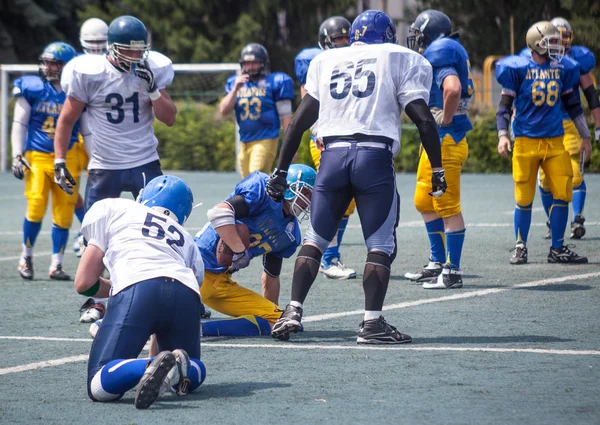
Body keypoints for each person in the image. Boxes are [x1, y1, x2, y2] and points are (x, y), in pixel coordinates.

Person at [267, 10, 447, 344]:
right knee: (380, 244)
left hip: (332, 157)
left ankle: (292, 309)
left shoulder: (326, 60)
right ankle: (372, 323)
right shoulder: (399, 57)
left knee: (316, 238)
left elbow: (297, 122)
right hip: (373, 156)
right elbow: (423, 119)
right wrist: (437, 167)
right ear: (387, 35)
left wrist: (279, 171)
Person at [54, 15, 177, 323]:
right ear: (112, 48)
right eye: (129, 50)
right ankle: (97, 301)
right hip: (105, 165)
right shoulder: (88, 73)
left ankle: (172, 294)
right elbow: (66, 119)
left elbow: (170, 118)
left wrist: (152, 90)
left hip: (145, 160)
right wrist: (59, 159)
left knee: (161, 230)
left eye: (140, 50)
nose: (136, 56)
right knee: (94, 237)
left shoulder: (151, 70)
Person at [75, 175, 206, 409]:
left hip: (138, 286)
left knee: (99, 386)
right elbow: (182, 286)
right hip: (186, 293)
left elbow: (84, 282)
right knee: (184, 379)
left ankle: (149, 366)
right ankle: (183, 365)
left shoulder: (114, 207)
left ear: (145, 195)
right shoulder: (188, 240)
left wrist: (112, 289)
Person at [496, 21, 590, 265]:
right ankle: (520, 246)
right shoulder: (517, 68)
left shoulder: (563, 68)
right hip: (526, 141)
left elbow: (574, 106)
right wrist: (502, 135)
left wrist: (586, 136)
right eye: (553, 41)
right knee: (524, 197)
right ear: (536, 44)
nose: (558, 45)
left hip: (555, 141)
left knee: (563, 192)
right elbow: (504, 108)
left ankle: (557, 248)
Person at [194, 164, 316, 337]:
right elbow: (218, 213)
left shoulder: (290, 233)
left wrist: (271, 310)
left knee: (282, 320)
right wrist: (238, 250)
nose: (309, 201)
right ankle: (197, 325)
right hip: (196, 266)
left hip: (217, 283)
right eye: (307, 193)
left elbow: (271, 276)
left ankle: (198, 328)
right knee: (277, 320)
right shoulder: (262, 190)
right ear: (291, 187)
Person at [404, 10, 472, 289]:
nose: (417, 40)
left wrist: (445, 117)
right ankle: (437, 262)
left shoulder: (441, 50)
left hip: (446, 138)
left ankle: (453, 271)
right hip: (437, 139)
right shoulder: (446, 49)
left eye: (420, 35)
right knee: (424, 199)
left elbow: (452, 89)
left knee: (446, 203)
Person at [520, 18, 600, 240]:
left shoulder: (575, 61)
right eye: (557, 36)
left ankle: (577, 220)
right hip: (544, 126)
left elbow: (590, 94)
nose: (561, 42)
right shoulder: (529, 60)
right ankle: (551, 220)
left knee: (574, 174)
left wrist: (596, 126)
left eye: (565, 36)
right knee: (545, 180)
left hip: (570, 123)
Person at [294, 16, 357, 280]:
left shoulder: (356, 61)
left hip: (346, 139)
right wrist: (321, 132)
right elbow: (308, 103)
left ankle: (329, 255)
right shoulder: (316, 62)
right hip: (326, 140)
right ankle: (328, 258)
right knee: (335, 198)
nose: (342, 45)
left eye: (346, 39)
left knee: (348, 203)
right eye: (337, 40)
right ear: (325, 43)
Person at [11, 42, 78, 281]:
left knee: (63, 213)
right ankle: (26, 256)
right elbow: (20, 122)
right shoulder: (32, 86)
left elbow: (89, 128)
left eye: (54, 63)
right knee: (36, 206)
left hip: (68, 156)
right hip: (37, 155)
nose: (48, 67)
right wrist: (17, 155)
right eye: (46, 62)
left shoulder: (77, 88)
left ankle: (56, 265)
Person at [219, 43, 294, 178]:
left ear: (263, 63)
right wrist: (235, 89)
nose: (251, 67)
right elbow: (223, 111)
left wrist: (290, 146)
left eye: (255, 63)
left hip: (266, 139)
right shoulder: (235, 84)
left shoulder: (275, 82)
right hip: (245, 141)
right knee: (247, 184)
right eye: (247, 63)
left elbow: (285, 117)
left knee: (254, 178)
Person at [72, 17, 110, 258]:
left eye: (100, 42)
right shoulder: (75, 65)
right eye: (91, 42)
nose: (96, 47)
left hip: (103, 132)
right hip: (77, 132)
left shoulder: (114, 62)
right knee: (71, 187)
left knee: (99, 183)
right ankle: (84, 228)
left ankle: (94, 233)